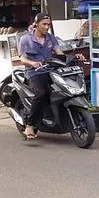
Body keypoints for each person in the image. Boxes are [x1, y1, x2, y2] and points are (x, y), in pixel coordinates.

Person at [17, 13, 65, 141]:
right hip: (34, 72)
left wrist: (72, 58)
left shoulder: (51, 39)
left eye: (48, 24)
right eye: (44, 24)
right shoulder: (26, 39)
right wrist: (32, 63)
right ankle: (30, 125)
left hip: (51, 71)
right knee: (42, 93)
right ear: (36, 24)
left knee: (61, 91)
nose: (46, 27)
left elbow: (59, 53)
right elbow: (23, 59)